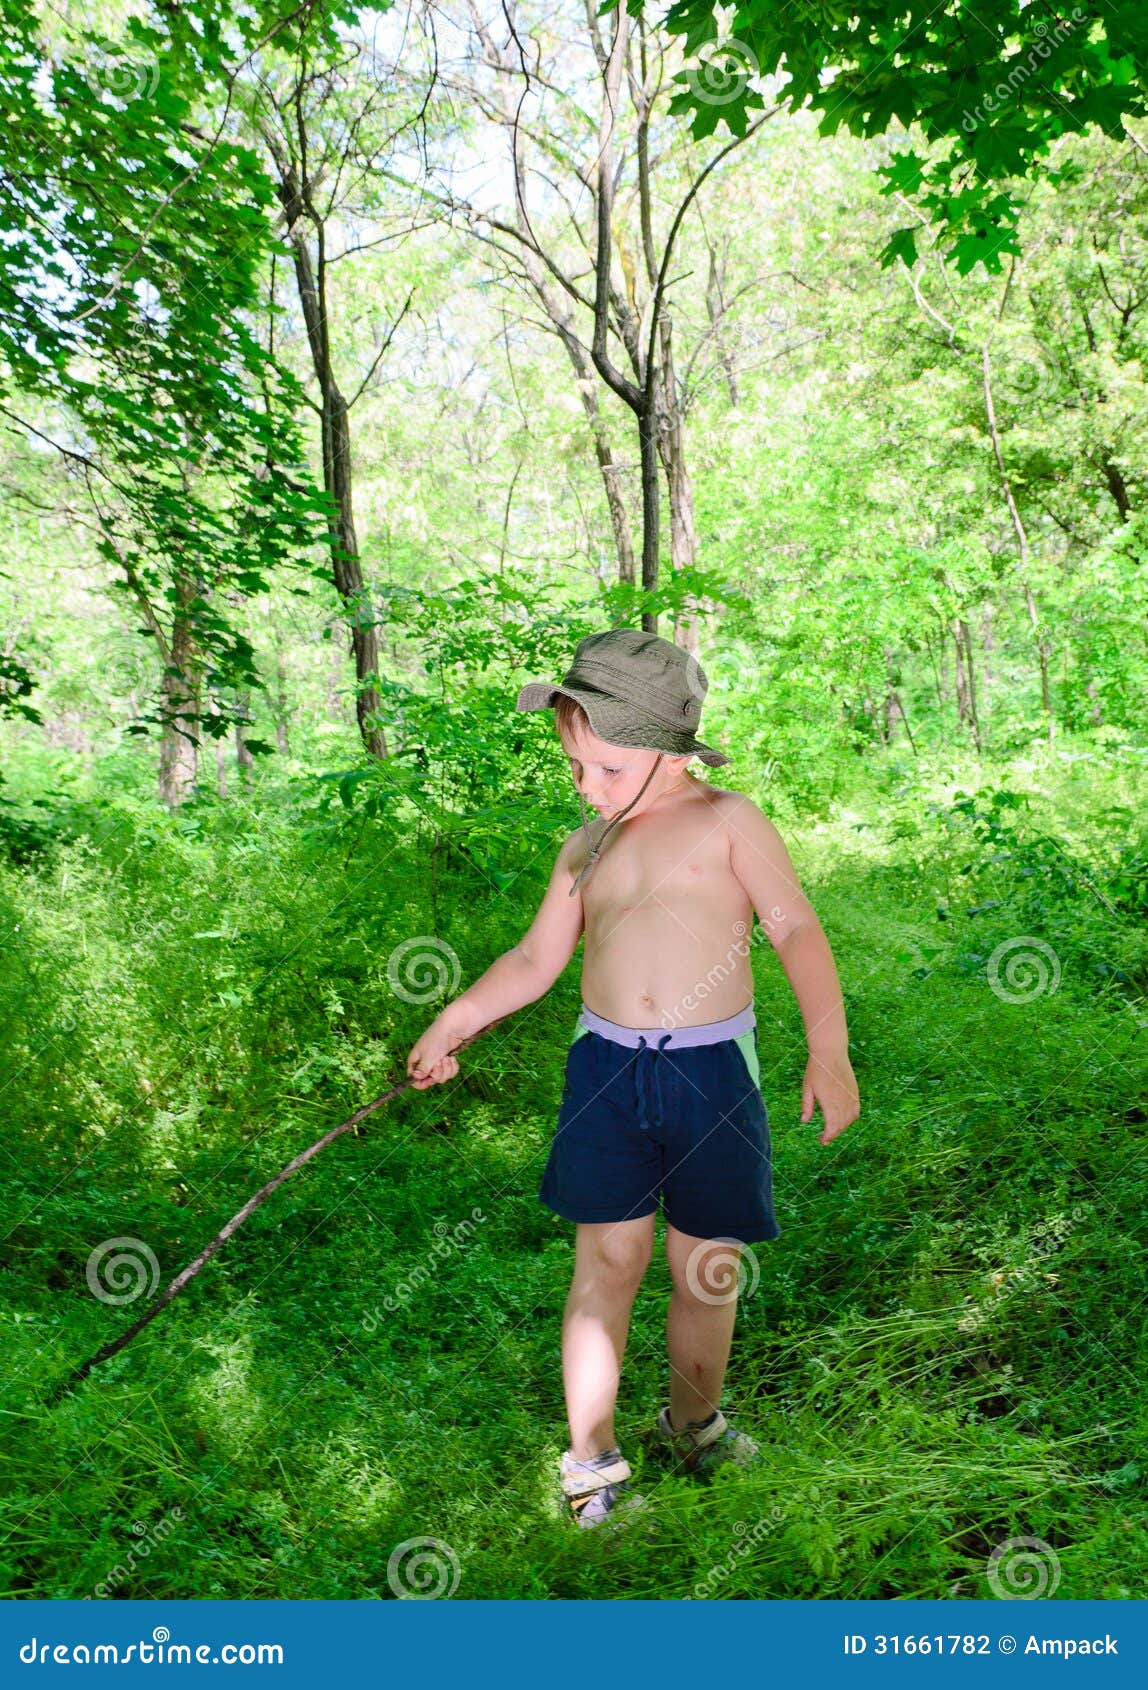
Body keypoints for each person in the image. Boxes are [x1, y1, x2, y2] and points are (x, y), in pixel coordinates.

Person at [406, 628, 860, 1528]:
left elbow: (797, 931)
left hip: (711, 1077)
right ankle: (591, 1461)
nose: (588, 787)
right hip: (608, 1074)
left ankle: (695, 1422)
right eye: (576, 767)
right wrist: (454, 1018)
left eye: (607, 768)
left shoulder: (729, 822)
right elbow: (537, 959)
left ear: (671, 753)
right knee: (608, 1261)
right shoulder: (587, 847)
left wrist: (829, 1049)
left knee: (708, 1269)